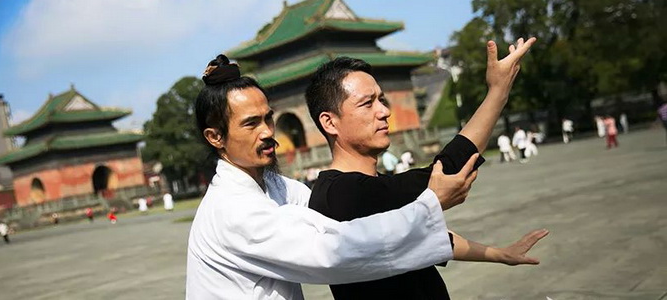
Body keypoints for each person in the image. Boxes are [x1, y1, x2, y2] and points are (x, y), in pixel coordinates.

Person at [186, 54, 478, 299]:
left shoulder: (277, 187)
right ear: (215, 137)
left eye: (268, 118)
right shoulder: (231, 210)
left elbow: (352, 219)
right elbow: (333, 253)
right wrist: (429, 204)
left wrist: (495, 253)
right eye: (251, 124)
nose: (267, 132)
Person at [306, 38, 547, 300]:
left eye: (382, 100)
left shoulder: (373, 187)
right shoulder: (342, 195)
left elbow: (429, 235)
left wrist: (499, 254)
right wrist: (498, 91)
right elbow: (447, 169)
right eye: (367, 103)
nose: (384, 111)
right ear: (330, 122)